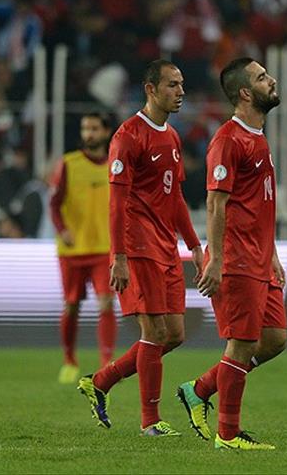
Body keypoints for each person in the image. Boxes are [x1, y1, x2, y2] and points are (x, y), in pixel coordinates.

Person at [77, 60, 203, 437]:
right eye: (172, 85)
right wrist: (119, 257)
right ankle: (150, 421)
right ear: (150, 89)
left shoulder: (172, 137)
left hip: (165, 246)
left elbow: (175, 197)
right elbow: (116, 203)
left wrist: (194, 245)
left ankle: (100, 381)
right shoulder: (128, 136)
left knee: (174, 334)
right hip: (136, 245)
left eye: (181, 84)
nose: (180, 92)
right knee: (153, 331)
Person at [175, 57, 287, 450]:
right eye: (262, 77)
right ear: (245, 93)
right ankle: (228, 434)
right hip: (236, 257)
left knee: (274, 339)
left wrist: (272, 253)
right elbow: (215, 203)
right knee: (241, 343)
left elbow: (258, 204)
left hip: (259, 256)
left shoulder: (258, 137)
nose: (271, 80)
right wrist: (218, 259)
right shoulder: (228, 140)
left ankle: (199, 390)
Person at [49, 113, 115, 384]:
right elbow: (54, 203)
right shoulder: (68, 163)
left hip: (104, 248)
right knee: (72, 305)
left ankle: (106, 364)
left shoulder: (115, 165)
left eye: (94, 128)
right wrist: (62, 230)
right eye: (85, 128)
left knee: (106, 302)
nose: (88, 133)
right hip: (73, 250)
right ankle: (69, 360)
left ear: (106, 132)